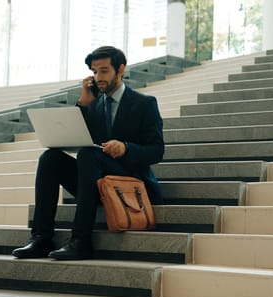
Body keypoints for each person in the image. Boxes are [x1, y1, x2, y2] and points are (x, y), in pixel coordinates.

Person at [12, 46, 164, 260]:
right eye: (94, 72)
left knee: (87, 155)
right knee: (50, 158)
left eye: (104, 71)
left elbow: (157, 151)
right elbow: (81, 137)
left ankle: (81, 240)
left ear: (120, 69)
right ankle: (41, 238)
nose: (98, 77)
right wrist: (83, 105)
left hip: (130, 183)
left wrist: (125, 148)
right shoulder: (92, 105)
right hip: (96, 181)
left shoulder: (145, 104)